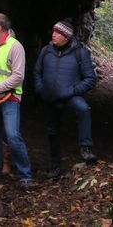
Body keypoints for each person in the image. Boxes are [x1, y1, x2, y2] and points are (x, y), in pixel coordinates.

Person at [34, 20, 97, 179]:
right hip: (50, 98)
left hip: (70, 97)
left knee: (83, 109)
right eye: (54, 31)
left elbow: (90, 78)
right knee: (52, 132)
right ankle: (55, 167)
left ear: (67, 37)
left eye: (58, 33)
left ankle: (86, 148)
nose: (53, 35)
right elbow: (36, 72)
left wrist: (72, 91)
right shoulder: (46, 51)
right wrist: (41, 90)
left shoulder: (80, 52)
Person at [0, 13, 33, 187]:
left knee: (12, 135)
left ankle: (25, 175)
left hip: (9, 97)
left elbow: (18, 76)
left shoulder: (15, 47)